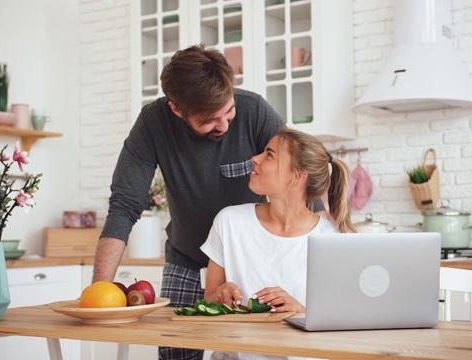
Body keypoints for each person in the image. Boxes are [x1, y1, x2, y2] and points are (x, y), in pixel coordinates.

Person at [93, 45, 324, 360]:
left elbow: (297, 170)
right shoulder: (152, 124)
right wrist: (97, 296)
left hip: (246, 259)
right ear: (177, 110)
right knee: (176, 352)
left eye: (228, 112)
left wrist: (324, 236)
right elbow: (124, 205)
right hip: (186, 258)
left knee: (263, 348)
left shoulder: (254, 110)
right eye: (210, 121)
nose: (225, 126)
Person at [200, 128, 355, 360]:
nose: (255, 158)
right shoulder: (229, 222)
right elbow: (207, 301)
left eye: (269, 154)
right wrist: (221, 296)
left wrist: (298, 311)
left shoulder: (332, 240)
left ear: (298, 176)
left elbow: (343, 326)